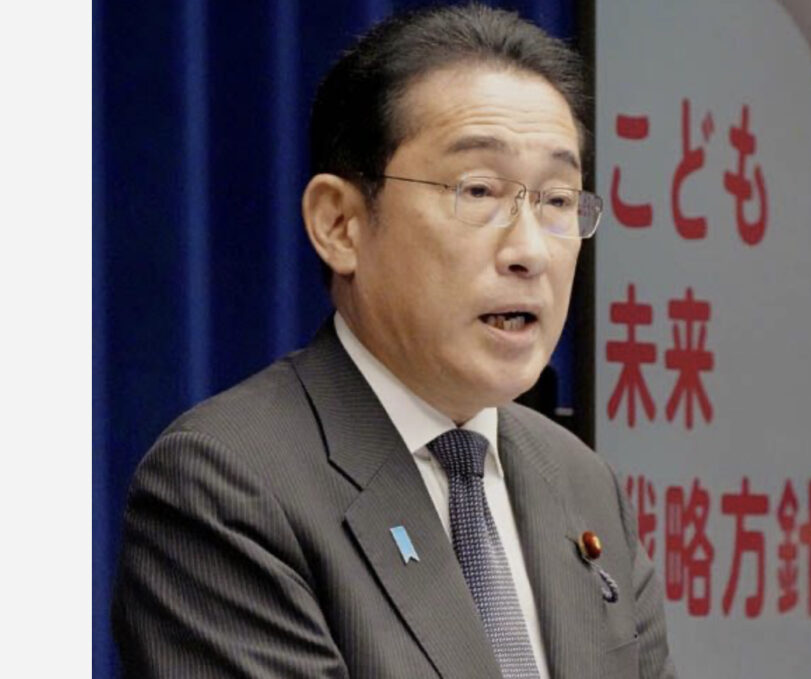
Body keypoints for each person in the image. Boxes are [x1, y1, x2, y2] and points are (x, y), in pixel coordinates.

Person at [111, 5, 676, 678]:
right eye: (478, 190)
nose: (529, 251)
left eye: (557, 200)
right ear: (340, 224)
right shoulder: (228, 485)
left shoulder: (581, 481)